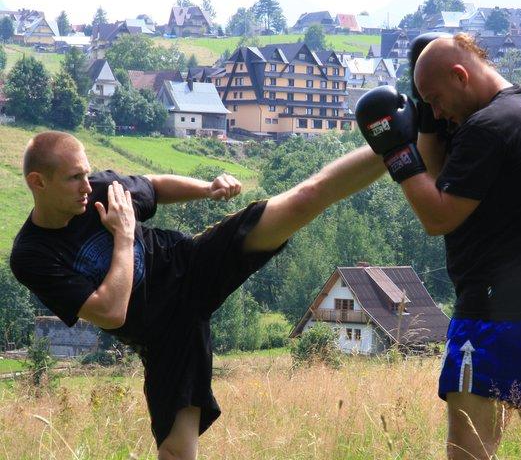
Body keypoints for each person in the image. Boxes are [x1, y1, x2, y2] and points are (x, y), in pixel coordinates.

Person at [10, 131, 385, 459]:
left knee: (304, 199)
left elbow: (153, 186)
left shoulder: (102, 189)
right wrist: (124, 235)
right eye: (74, 178)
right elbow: (111, 312)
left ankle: (395, 142)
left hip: (189, 266)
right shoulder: (32, 256)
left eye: (87, 173)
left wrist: (207, 189)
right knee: (176, 454)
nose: (87, 186)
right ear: (38, 182)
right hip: (163, 338)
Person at [355, 33, 521, 460]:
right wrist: (430, 124)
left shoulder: (489, 127)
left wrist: (397, 152)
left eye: (436, 99)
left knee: (469, 456)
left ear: (460, 75)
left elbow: (437, 215)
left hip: (495, 318)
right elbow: (446, 175)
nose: (435, 110)